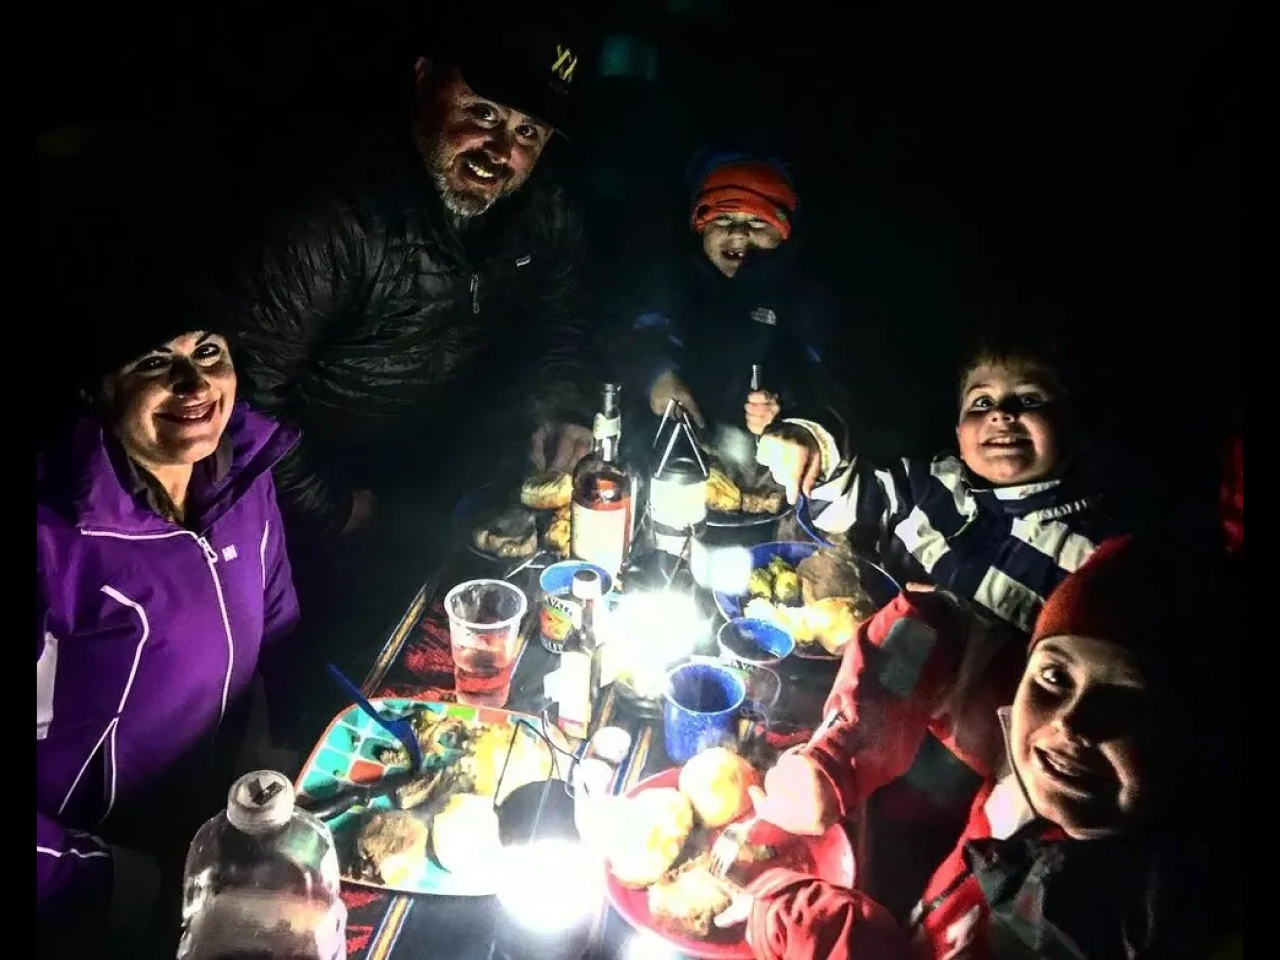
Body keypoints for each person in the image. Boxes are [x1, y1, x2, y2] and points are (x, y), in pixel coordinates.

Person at [725, 534, 1240, 959]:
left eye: (1128, 702)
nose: (1071, 722)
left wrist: (797, 917)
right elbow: (932, 631)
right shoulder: (1031, 749)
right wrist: (837, 753)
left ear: (1198, 737)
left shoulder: (1145, 924)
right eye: (1056, 674)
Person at [234, 25, 601, 550]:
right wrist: (328, 506)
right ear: (425, 79)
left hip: (457, 479)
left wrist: (562, 408)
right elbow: (249, 392)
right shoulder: (334, 221)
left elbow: (560, 319)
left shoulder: (546, 212)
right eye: (484, 113)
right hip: (330, 490)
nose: (500, 149)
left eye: (528, 133)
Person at [37, 296, 301, 953]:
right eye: (157, 362)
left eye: (209, 351)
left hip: (223, 826)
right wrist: (111, 883)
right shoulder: (50, 544)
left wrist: (275, 763)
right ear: (98, 387)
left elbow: (276, 627)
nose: (197, 384)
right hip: (94, 884)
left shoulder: (243, 475)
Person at [759, 334, 1122, 636]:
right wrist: (812, 446)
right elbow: (844, 503)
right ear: (959, 435)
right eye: (981, 402)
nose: (1001, 413)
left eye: (1028, 399)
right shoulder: (929, 484)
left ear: (1069, 423)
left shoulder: (1092, 558)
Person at [605, 148, 856, 463]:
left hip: (765, 466)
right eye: (723, 218)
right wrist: (656, 374)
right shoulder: (674, 281)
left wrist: (785, 409)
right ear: (701, 227)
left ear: (783, 233)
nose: (738, 232)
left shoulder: (804, 299)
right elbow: (629, 335)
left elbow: (826, 383)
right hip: (670, 452)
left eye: (758, 221)